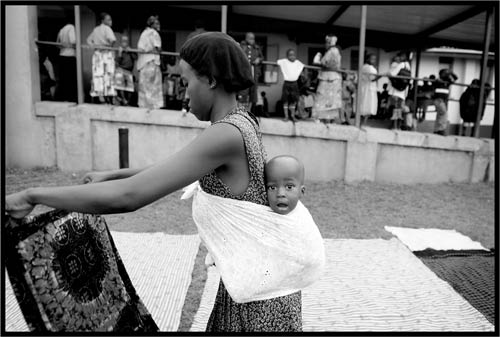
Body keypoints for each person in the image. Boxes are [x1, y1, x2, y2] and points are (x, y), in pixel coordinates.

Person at [6, 32, 302, 332]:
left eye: (187, 83)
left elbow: (129, 197)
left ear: (211, 80)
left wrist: (33, 195)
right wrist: (111, 175)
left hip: (258, 305)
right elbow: (168, 169)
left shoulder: (225, 134)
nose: (184, 95)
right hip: (256, 288)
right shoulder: (244, 121)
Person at [86, 12, 117, 104]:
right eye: (108, 19)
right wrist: (108, 47)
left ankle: (100, 97)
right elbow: (113, 40)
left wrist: (95, 46)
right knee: (108, 75)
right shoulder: (107, 28)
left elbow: (88, 40)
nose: (110, 21)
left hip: (97, 54)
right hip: (106, 53)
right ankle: (108, 97)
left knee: (98, 75)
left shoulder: (96, 29)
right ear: (103, 21)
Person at [312, 34, 342, 124]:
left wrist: (317, 59)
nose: (325, 45)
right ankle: (327, 119)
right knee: (329, 99)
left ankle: (324, 118)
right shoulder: (334, 51)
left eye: (326, 43)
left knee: (323, 97)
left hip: (329, 77)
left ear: (329, 43)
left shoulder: (332, 51)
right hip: (332, 77)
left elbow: (323, 63)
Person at [137, 16, 163, 109]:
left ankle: (144, 105)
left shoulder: (144, 33)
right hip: (152, 61)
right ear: (152, 25)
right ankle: (153, 106)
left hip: (144, 62)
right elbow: (158, 48)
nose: (158, 25)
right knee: (154, 85)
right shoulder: (153, 33)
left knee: (144, 85)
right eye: (156, 23)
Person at [277, 49, 305, 122]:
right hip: (287, 83)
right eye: (290, 55)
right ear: (287, 56)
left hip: (294, 83)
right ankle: (286, 116)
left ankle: (292, 116)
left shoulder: (298, 63)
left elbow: (303, 67)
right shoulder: (284, 62)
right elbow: (277, 62)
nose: (292, 57)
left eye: (293, 55)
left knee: (294, 100)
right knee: (285, 100)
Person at [239, 32, 264, 112]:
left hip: (254, 72)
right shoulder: (241, 46)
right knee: (243, 92)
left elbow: (261, 57)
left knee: (253, 93)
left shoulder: (256, 48)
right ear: (246, 38)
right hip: (244, 73)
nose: (252, 40)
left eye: (253, 38)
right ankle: (241, 111)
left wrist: (259, 60)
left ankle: (248, 111)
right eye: (250, 38)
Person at [386, 52, 411, 130]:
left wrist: (387, 73)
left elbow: (392, 74)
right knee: (399, 108)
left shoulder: (400, 64)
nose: (399, 58)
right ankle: (398, 126)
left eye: (400, 57)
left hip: (396, 90)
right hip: (403, 91)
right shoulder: (408, 65)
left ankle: (394, 126)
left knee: (395, 107)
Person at [55, 20, 77, 102]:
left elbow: (57, 44)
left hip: (62, 55)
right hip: (70, 55)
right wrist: (75, 47)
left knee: (63, 78)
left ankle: (63, 98)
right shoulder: (71, 27)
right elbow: (73, 41)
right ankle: (71, 98)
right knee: (71, 78)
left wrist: (63, 47)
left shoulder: (62, 29)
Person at [433, 68, 458, 136]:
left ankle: (437, 130)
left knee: (440, 115)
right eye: (445, 73)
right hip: (438, 100)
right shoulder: (438, 81)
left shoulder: (447, 82)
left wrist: (451, 72)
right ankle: (441, 130)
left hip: (443, 101)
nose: (447, 75)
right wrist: (446, 75)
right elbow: (437, 81)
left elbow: (455, 78)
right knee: (444, 113)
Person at [358, 53, 381, 128]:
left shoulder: (364, 66)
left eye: (374, 59)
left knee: (364, 105)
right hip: (368, 89)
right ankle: (363, 123)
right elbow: (372, 79)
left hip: (364, 88)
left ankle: (361, 123)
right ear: (367, 59)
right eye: (372, 59)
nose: (374, 61)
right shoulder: (369, 68)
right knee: (368, 106)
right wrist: (381, 76)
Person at [114, 35, 137, 106]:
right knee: (120, 85)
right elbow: (117, 62)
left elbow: (135, 57)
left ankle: (128, 102)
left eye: (126, 41)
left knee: (130, 88)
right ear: (121, 42)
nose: (125, 43)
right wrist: (120, 53)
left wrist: (130, 51)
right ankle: (124, 100)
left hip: (129, 71)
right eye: (123, 41)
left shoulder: (131, 50)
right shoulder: (118, 50)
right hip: (120, 69)